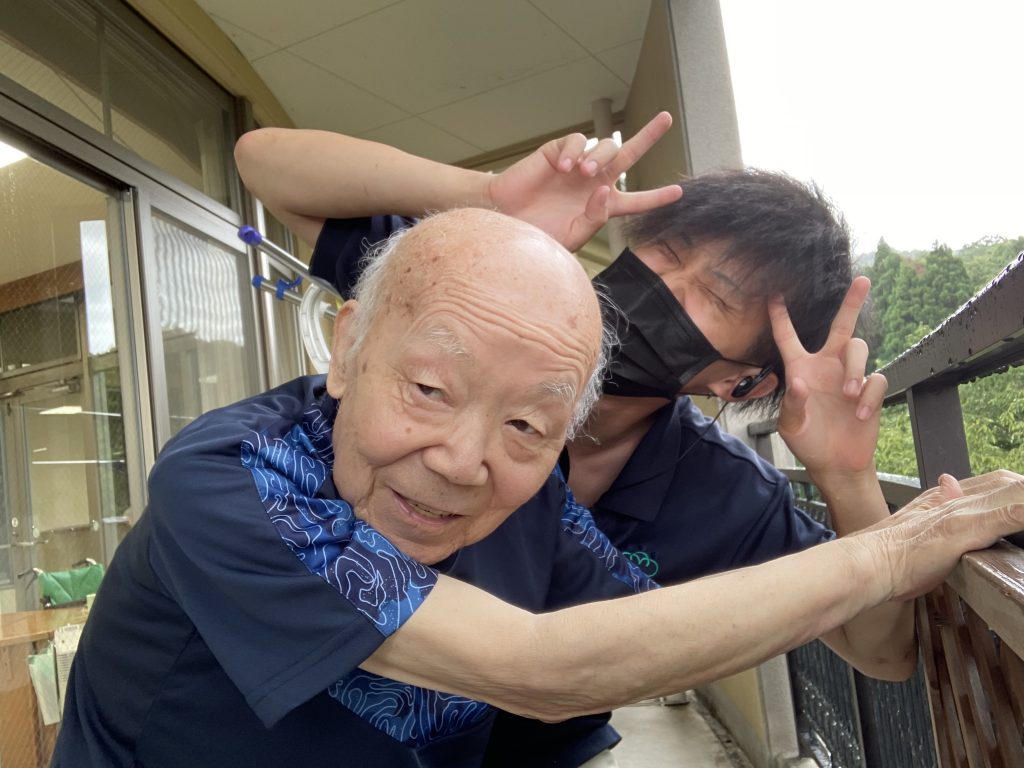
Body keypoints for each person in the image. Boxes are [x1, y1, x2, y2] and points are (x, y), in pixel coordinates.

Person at [53, 203, 1024, 768]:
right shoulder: (236, 476)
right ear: (347, 349)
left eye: (526, 424)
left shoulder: (544, 508)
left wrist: (846, 481)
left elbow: (626, 649)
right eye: (430, 389)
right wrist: (895, 544)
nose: (461, 460)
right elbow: (543, 669)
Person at [233, 113, 898, 765]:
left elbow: (883, 651)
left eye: (715, 297)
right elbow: (263, 162)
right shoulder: (477, 303)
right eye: (666, 252)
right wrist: (487, 199)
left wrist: (846, 477)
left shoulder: (725, 493)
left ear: (742, 383)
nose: (664, 285)